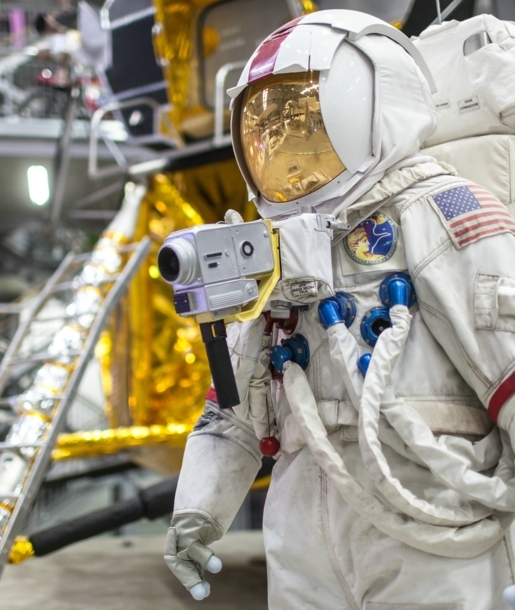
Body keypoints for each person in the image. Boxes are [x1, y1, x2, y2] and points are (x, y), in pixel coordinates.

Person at [163, 9, 515, 610]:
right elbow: (234, 407)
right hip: (302, 508)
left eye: (299, 122)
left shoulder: (442, 212)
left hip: (428, 503)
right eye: (266, 128)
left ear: (372, 104)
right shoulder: (270, 254)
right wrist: (198, 508)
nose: (283, 147)